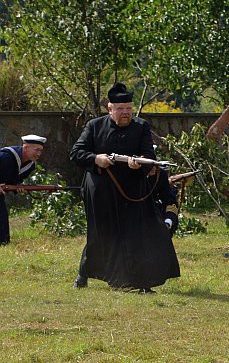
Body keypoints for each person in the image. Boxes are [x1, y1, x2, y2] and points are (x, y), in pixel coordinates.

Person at [69, 83, 180, 293]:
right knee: (100, 234)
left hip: (132, 189)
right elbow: (76, 153)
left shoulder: (141, 127)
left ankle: (143, 283)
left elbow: (149, 156)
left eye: (129, 108)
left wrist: (139, 163)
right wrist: (96, 158)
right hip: (100, 190)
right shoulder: (94, 126)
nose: (125, 113)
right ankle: (83, 275)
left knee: (137, 234)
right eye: (120, 109)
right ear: (110, 109)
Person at [0, 134, 46, 245]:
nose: (39, 154)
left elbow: (13, 181)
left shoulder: (30, 166)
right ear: (26, 147)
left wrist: (18, 188)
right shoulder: (5, 157)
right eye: (36, 150)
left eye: (41, 151)